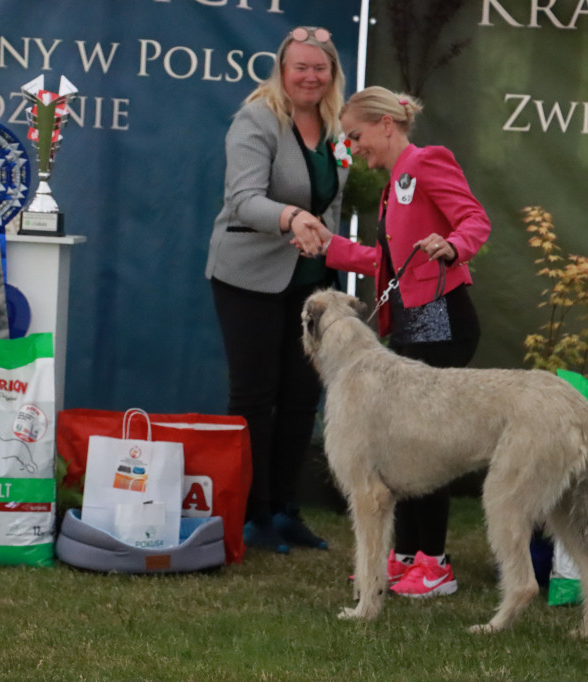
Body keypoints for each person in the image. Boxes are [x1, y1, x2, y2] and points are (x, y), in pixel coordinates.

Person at [302, 86, 491, 596]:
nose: (353, 147)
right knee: (405, 443)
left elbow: (475, 219)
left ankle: (434, 563)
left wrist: (453, 246)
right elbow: (391, 264)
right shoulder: (393, 185)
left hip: (444, 321)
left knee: (425, 445)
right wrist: (331, 246)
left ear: (387, 125)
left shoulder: (428, 162)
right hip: (412, 324)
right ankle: (407, 555)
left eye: (356, 136)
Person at [205, 27, 349, 554]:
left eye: (320, 68)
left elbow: (332, 201)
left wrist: (329, 246)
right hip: (249, 273)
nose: (310, 77)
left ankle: (287, 511)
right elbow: (243, 199)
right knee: (254, 394)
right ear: (282, 71)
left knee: (301, 398)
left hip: (312, 282)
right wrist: (291, 217)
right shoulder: (256, 119)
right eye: (300, 67)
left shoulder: (335, 125)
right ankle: (250, 514)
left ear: (332, 74)